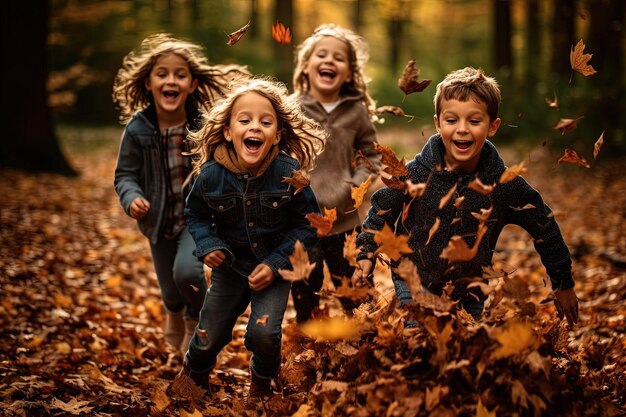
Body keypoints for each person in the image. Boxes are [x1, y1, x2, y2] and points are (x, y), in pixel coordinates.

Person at [353, 67, 579, 326]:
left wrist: (563, 282)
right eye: (451, 121)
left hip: (471, 290)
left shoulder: (502, 184)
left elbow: (544, 224)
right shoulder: (414, 174)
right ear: (438, 123)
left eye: (474, 121)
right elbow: (382, 208)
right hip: (414, 279)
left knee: (463, 353)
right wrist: (366, 253)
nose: (462, 129)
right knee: (420, 340)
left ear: (492, 126)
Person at [174, 78, 326, 401]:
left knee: (264, 333)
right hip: (230, 268)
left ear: (277, 135)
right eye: (245, 120)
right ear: (229, 131)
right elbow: (196, 214)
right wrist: (208, 245)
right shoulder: (211, 175)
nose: (255, 127)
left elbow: (307, 226)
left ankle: (261, 382)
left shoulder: (289, 172)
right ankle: (193, 376)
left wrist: (275, 265)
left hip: (274, 266)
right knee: (208, 333)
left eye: (265, 122)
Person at [113, 33, 249, 354]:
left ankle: (194, 320)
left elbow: (227, 160)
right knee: (169, 288)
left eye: (180, 74)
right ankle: (174, 311)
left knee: (187, 272)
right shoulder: (138, 129)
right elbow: (125, 174)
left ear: (192, 84)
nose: (170, 80)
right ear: (148, 83)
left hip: (197, 218)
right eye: (162, 74)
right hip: (156, 219)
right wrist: (131, 197)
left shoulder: (204, 125)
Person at [290, 24, 381, 322]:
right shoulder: (291, 109)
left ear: (349, 72)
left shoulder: (355, 111)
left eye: (339, 58)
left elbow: (371, 154)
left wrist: (354, 186)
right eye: (322, 54)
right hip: (303, 220)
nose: (330, 61)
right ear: (306, 66)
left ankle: (367, 340)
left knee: (354, 288)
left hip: (345, 222)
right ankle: (309, 344)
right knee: (305, 289)